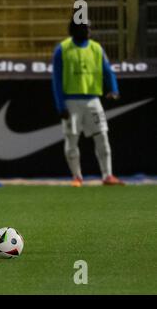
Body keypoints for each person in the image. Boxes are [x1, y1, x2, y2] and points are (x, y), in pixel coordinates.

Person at [52, 20, 125, 187]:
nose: (89, 30)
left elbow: (107, 70)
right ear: (75, 30)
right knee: (71, 140)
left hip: (93, 100)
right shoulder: (62, 49)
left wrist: (114, 89)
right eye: (85, 27)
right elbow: (56, 80)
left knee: (102, 137)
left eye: (89, 27)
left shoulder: (96, 48)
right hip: (71, 101)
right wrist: (60, 105)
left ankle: (108, 175)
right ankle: (77, 177)